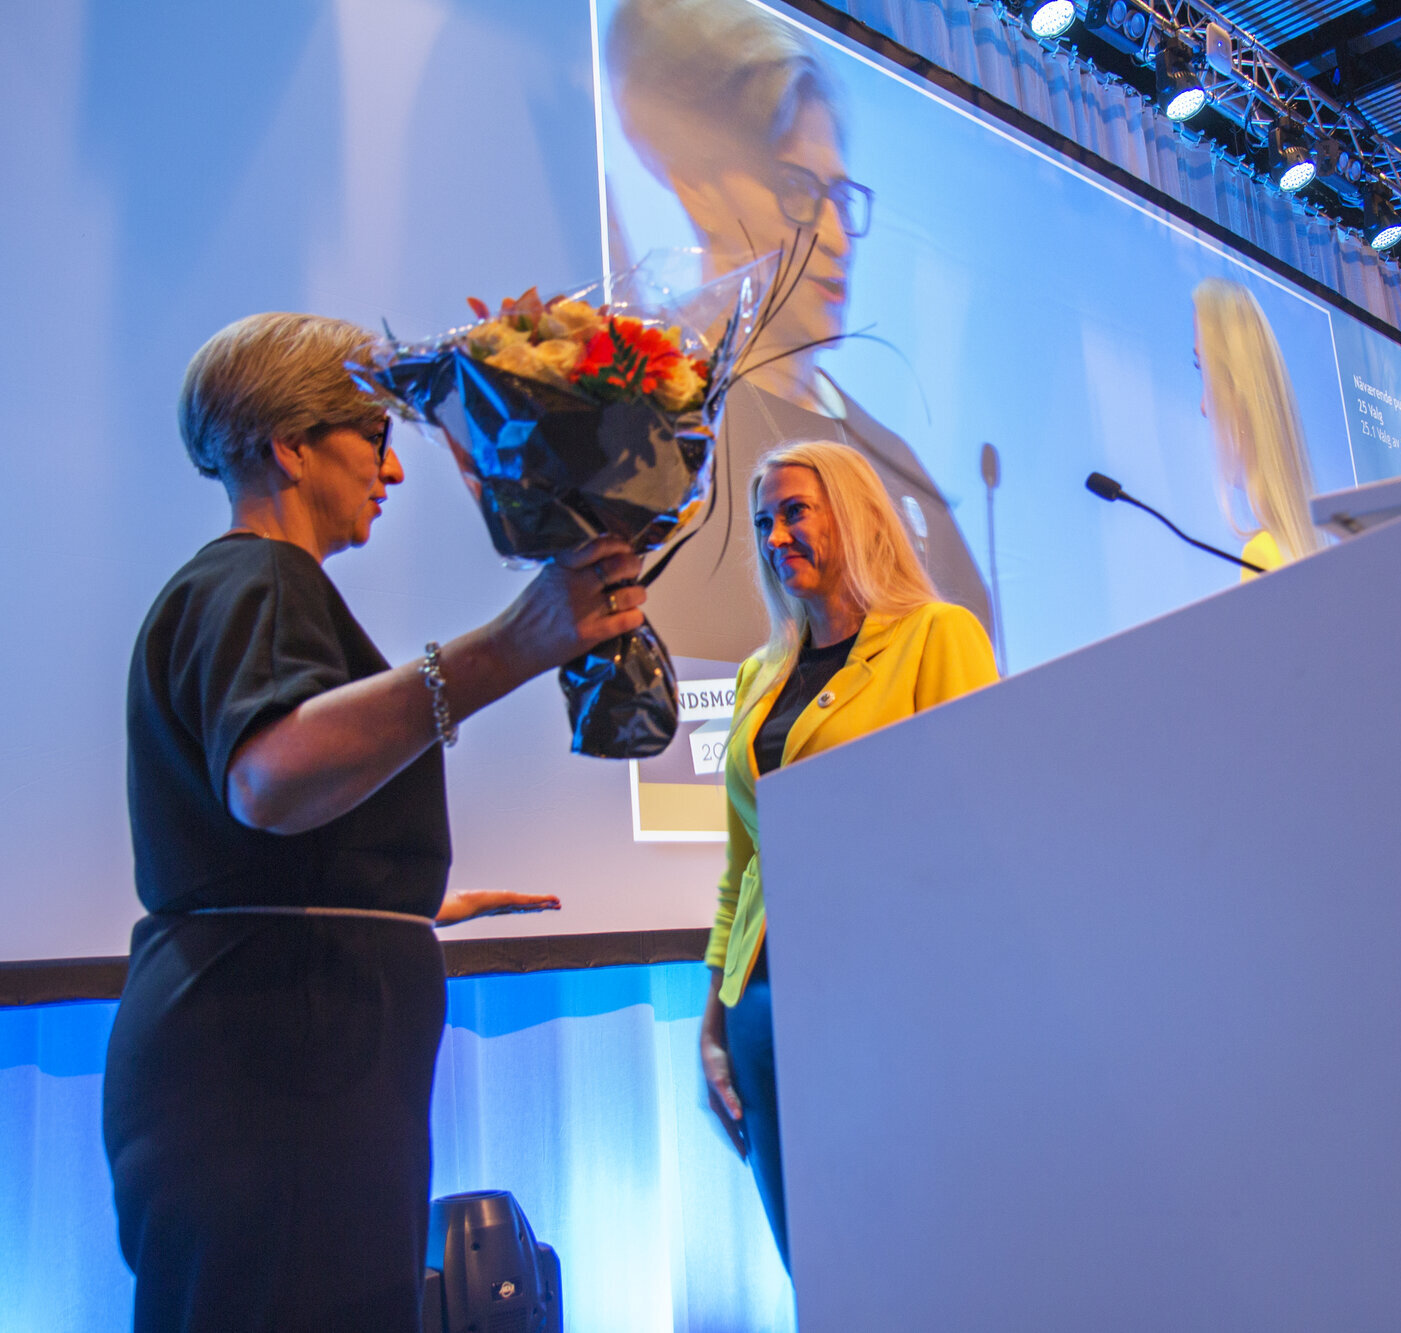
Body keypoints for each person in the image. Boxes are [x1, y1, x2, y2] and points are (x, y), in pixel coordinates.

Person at [103, 312, 647, 1333]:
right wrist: (512, 645)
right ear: (289, 445)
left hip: (268, 1040)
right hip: (277, 1062)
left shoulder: (236, 586)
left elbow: (255, 826)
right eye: (375, 438)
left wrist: (382, 898)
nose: (392, 471)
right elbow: (269, 781)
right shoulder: (258, 578)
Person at [604, 0, 995, 664]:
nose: (837, 238)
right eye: (797, 192)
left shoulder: (898, 469)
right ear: (697, 189)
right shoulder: (644, 439)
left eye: (839, 197)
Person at [697, 440, 999, 1271]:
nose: (775, 537)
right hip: (761, 1006)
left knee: (909, 1258)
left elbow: (980, 831)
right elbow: (741, 865)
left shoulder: (937, 634)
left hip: (889, 993)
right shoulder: (758, 675)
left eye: (794, 512)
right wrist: (714, 1016)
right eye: (764, 521)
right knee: (813, 1266)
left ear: (857, 514)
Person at [1192, 277, 1325, 580]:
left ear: (1241, 389)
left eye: (1207, 372)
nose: (1204, 407)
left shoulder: (1262, 556)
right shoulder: (1302, 552)